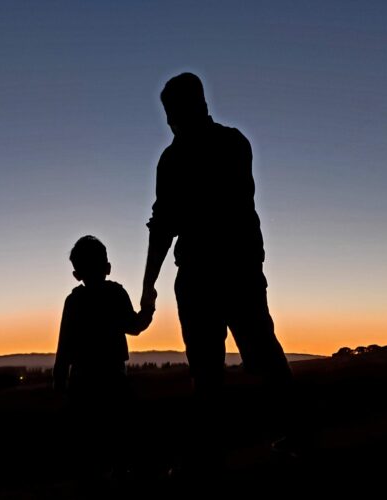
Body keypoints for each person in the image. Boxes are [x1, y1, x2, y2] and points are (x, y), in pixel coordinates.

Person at [140, 72, 291, 394]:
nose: (170, 123)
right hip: (232, 270)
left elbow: (164, 225)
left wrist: (149, 284)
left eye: (172, 115)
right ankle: (291, 434)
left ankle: (282, 434)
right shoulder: (232, 144)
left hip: (215, 273)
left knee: (224, 366)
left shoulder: (179, 158)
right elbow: (166, 222)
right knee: (249, 359)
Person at [54, 235, 154, 479]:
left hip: (82, 380)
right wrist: (149, 308)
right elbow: (135, 326)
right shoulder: (116, 294)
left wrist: (60, 378)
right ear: (107, 267)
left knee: (88, 437)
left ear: (76, 274)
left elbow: (64, 344)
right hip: (113, 376)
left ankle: (92, 479)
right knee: (120, 432)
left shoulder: (73, 301)